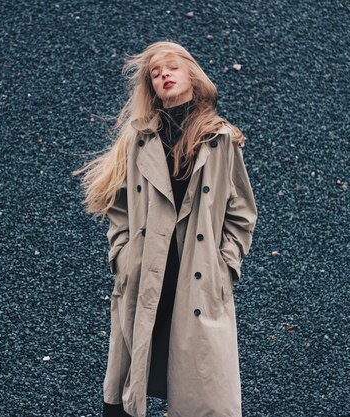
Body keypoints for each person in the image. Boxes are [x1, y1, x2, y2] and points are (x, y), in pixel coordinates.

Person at [73, 41, 258, 417]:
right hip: (146, 271)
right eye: (155, 75)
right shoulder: (139, 138)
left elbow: (241, 213)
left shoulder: (221, 139)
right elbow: (119, 207)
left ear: (191, 75)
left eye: (171, 68)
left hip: (199, 273)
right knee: (131, 381)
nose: (164, 76)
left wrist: (225, 265)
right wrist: (123, 255)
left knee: (204, 393)